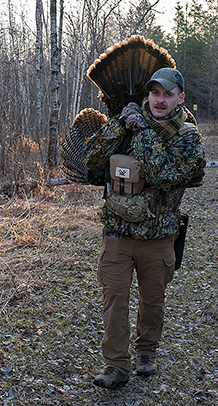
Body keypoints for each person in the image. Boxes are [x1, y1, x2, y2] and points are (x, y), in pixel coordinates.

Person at [82, 67, 205, 388]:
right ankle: (116, 365)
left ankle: (146, 353)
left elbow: (164, 173)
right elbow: (92, 161)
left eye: (167, 94)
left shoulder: (187, 137)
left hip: (158, 238)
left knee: (152, 301)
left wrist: (143, 130)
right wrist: (119, 125)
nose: (160, 100)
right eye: (154, 93)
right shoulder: (128, 124)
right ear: (147, 95)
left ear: (180, 98)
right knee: (114, 300)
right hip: (118, 234)